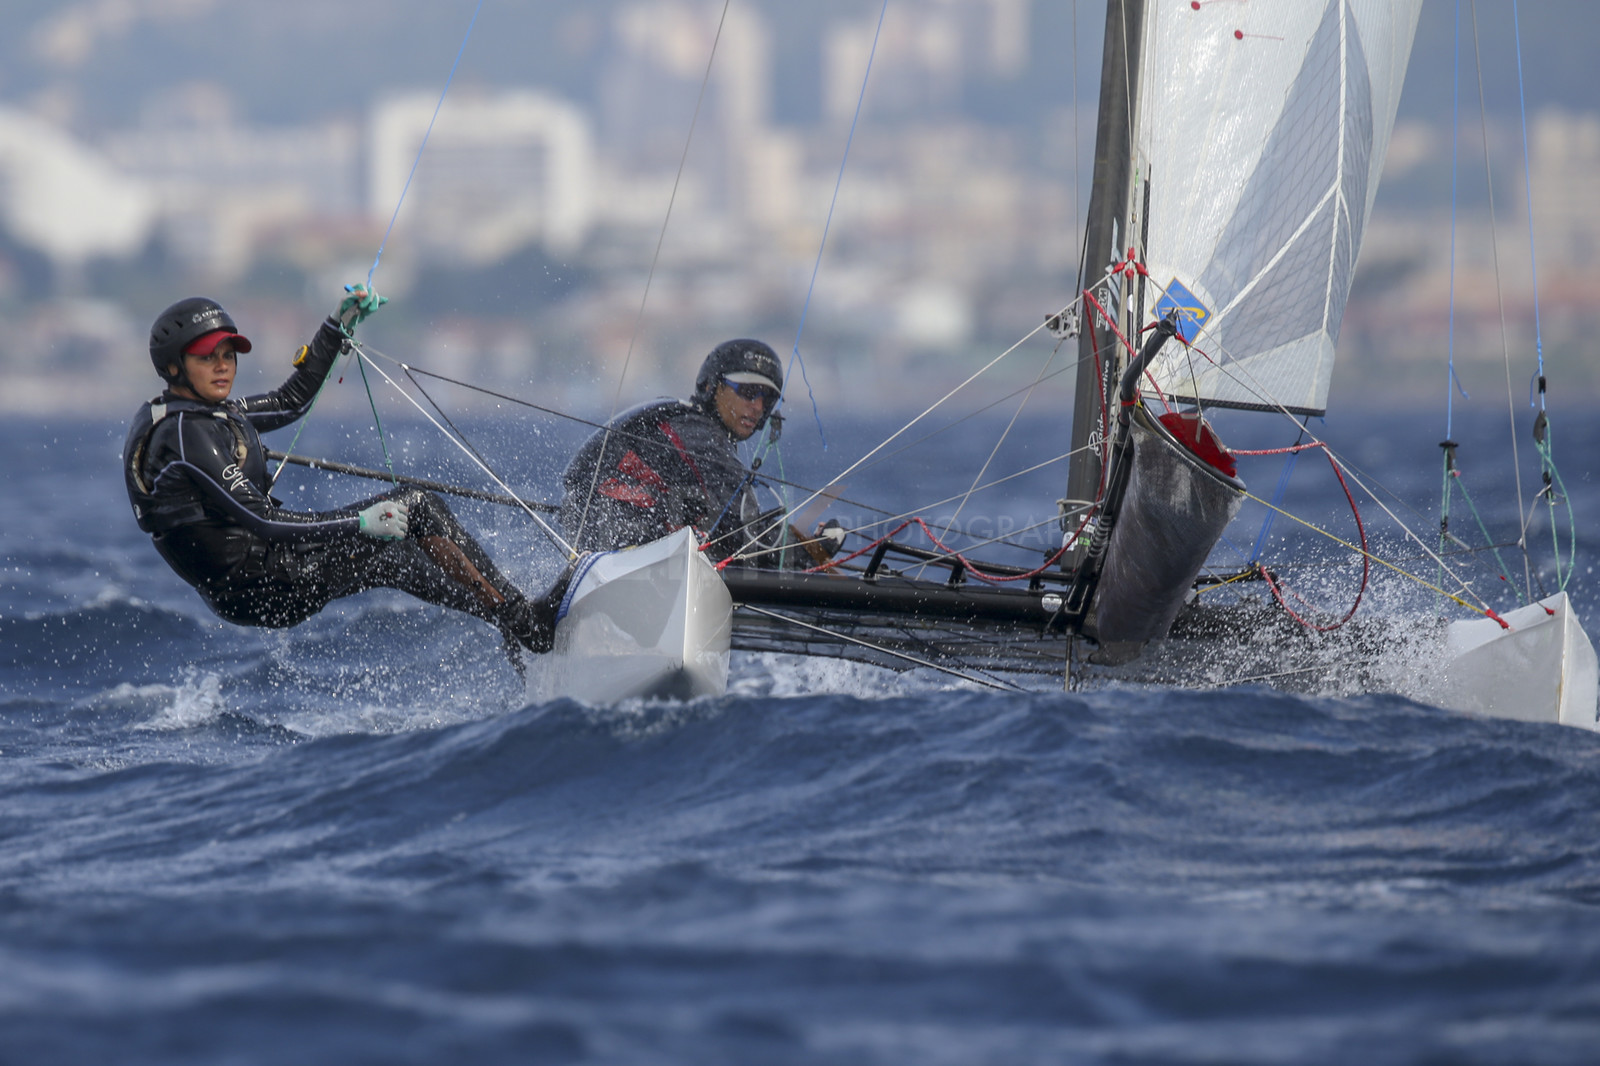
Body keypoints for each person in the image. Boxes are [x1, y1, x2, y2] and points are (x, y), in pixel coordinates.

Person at [123, 288, 565, 671]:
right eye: (207, 358)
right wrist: (360, 523)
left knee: (397, 560)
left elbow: (290, 400)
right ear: (175, 367)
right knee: (416, 506)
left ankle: (518, 626)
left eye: (228, 355)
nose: (223, 367)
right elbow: (265, 523)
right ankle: (529, 624)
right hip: (263, 583)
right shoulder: (187, 436)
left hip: (254, 585)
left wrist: (336, 326)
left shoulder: (199, 415)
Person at [559, 338, 842, 566]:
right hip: (613, 548)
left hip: (607, 546)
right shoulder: (696, 431)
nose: (757, 406)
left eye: (767, 398)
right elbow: (748, 531)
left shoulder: (686, 426)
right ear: (710, 386)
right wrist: (810, 551)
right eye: (747, 391)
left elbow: (731, 529)